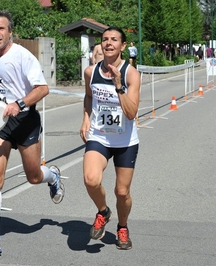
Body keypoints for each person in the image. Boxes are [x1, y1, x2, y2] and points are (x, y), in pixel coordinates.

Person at [0, 10, 65, 255]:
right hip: (0, 123)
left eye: (1, 29)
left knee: (33, 176)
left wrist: (19, 104)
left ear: (10, 32)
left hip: (25, 120)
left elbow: (43, 89)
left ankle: (52, 176)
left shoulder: (23, 56)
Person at [80, 26, 140, 250]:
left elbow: (132, 113)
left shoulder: (130, 74)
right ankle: (103, 211)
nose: (108, 43)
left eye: (114, 40)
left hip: (125, 141)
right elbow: (88, 96)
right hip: (99, 136)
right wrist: (86, 118)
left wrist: (119, 87)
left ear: (122, 46)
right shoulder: (90, 72)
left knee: (122, 192)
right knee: (90, 179)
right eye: (105, 39)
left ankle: (122, 227)